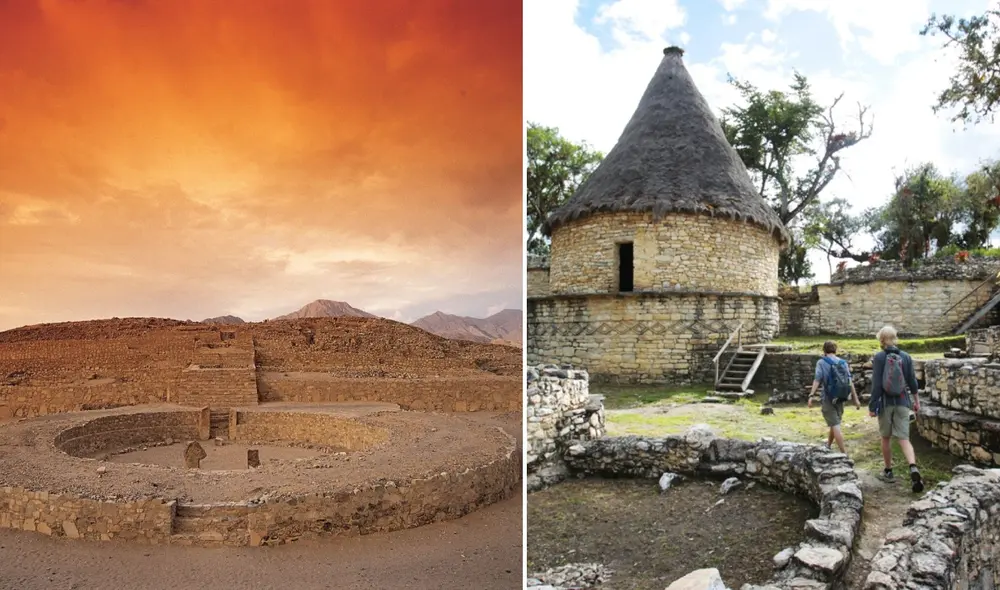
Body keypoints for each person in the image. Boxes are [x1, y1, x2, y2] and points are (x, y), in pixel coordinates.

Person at [869, 325, 924, 493]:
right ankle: (913, 467)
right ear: (895, 338)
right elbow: (912, 381)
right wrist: (916, 401)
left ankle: (888, 470)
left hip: (885, 403)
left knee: (885, 437)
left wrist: (872, 406)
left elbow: (877, 384)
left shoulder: (879, 358)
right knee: (904, 438)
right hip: (902, 401)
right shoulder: (906, 357)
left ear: (881, 340)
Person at [808, 340, 861, 455]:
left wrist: (811, 395)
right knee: (835, 422)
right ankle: (828, 445)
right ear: (835, 350)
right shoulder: (843, 363)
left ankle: (844, 454)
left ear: (824, 350)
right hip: (841, 397)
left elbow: (817, 379)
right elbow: (849, 381)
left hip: (828, 397)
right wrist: (855, 399)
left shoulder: (821, 362)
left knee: (835, 425)